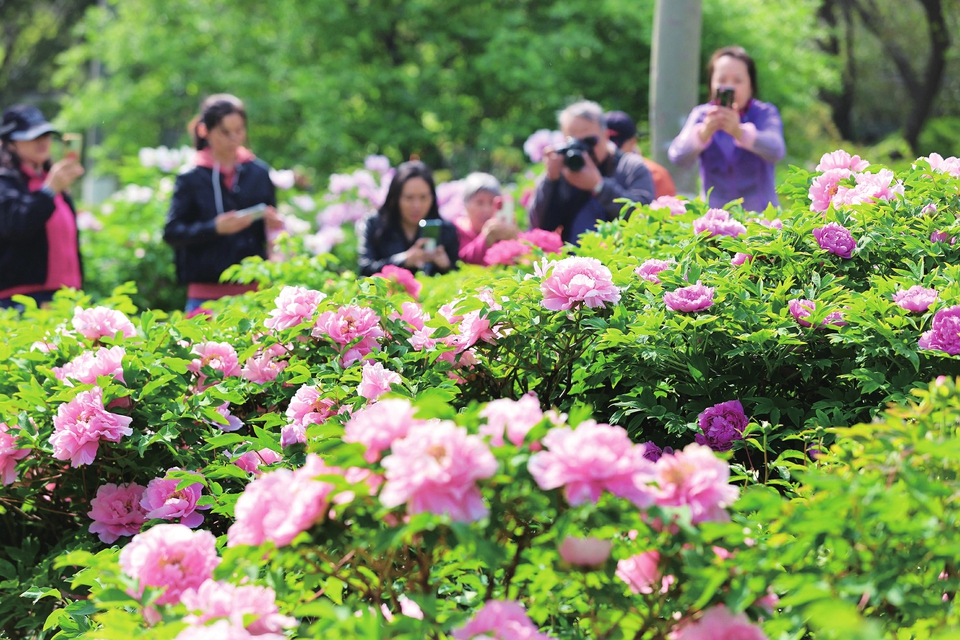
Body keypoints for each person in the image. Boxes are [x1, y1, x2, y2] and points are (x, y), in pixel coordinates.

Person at [163, 94, 283, 312]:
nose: (234, 139)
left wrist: (274, 225)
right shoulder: (190, 177)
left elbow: (273, 232)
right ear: (204, 131)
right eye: (225, 132)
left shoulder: (259, 173)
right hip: (204, 295)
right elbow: (172, 232)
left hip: (253, 292)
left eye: (239, 130)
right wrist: (214, 228)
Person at [668, 46, 785, 212]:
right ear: (711, 84)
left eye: (738, 81)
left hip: (761, 219)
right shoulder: (702, 115)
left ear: (751, 85)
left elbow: (776, 150)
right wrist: (703, 134)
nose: (730, 87)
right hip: (715, 221)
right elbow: (677, 156)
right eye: (722, 80)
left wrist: (740, 133)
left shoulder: (764, 113)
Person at [528, 100, 655, 246]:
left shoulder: (631, 167)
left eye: (589, 141)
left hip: (624, 263)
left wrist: (599, 186)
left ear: (606, 135)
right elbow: (539, 227)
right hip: (574, 263)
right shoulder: (562, 171)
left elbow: (644, 217)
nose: (583, 149)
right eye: (573, 142)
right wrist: (550, 181)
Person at [0, 105, 85, 310]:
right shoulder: (6, 182)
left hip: (65, 296)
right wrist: (49, 191)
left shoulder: (52, 181)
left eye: (46, 135)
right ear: (10, 144)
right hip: (21, 299)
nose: (42, 141)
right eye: (31, 136)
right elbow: (16, 227)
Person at [357, 160, 458, 277]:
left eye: (423, 197)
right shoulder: (375, 224)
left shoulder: (446, 230)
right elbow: (364, 270)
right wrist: (404, 260)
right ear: (395, 198)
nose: (417, 205)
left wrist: (446, 266)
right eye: (409, 198)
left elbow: (458, 278)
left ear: (432, 198)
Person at [605, 110, 677, 199]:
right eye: (606, 144)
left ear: (633, 142)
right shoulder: (591, 170)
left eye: (617, 146)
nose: (611, 150)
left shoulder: (656, 175)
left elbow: (667, 211)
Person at [455, 172, 518, 265]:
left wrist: (513, 237)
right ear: (466, 205)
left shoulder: (503, 229)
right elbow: (461, 262)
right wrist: (485, 238)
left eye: (492, 202)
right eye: (479, 202)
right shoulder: (456, 230)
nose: (487, 209)